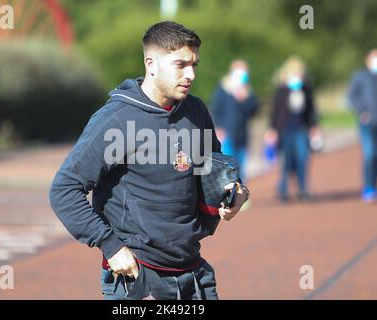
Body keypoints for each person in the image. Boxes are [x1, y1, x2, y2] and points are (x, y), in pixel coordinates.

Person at [49, 21, 249, 300]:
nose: (190, 74)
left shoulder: (196, 110)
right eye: (181, 64)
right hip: (139, 280)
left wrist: (235, 191)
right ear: (151, 64)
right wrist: (111, 247)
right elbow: (64, 189)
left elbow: (213, 170)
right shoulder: (116, 119)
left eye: (194, 65)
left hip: (194, 275)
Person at [265, 56, 320, 202]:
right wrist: (272, 130)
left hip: (301, 129)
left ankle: (303, 189)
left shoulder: (306, 89)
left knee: (303, 158)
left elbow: (311, 110)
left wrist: (314, 127)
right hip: (284, 130)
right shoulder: (281, 90)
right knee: (286, 161)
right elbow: (274, 112)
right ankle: (282, 189)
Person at [210, 59, 259, 182]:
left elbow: (253, 111)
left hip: (242, 134)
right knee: (228, 167)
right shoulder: (223, 89)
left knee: (241, 167)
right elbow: (216, 109)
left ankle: (242, 195)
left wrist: (245, 98)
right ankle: (226, 196)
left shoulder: (248, 91)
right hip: (227, 134)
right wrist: (219, 127)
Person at [348, 49, 377, 203]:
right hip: (367, 122)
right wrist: (362, 111)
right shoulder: (360, 77)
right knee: (370, 154)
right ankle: (369, 187)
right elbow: (352, 97)